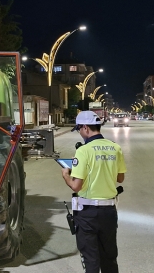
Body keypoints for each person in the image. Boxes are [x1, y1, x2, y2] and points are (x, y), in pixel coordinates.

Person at [62, 111, 127, 273]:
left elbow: (76, 186)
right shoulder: (115, 147)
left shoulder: (83, 151)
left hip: (87, 214)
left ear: (85, 127)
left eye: (79, 129)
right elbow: (120, 178)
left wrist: (66, 176)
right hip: (109, 212)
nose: (80, 133)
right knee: (109, 257)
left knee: (91, 259)